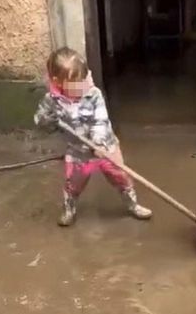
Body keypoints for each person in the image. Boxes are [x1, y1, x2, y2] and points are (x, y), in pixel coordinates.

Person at [34, 47, 152, 226]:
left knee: (120, 176)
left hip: (105, 148)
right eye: (74, 82)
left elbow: (100, 120)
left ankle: (132, 204)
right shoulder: (51, 100)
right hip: (78, 153)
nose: (80, 85)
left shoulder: (93, 94)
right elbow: (40, 123)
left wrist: (98, 143)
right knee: (74, 183)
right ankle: (69, 208)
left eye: (82, 79)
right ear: (58, 82)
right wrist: (47, 119)